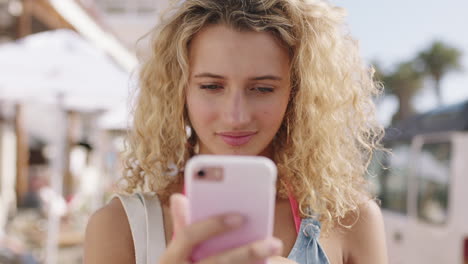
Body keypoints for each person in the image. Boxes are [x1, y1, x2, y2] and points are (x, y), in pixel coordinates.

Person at [84, 0, 388, 263]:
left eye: (262, 88)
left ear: (296, 94)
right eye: (212, 86)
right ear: (179, 91)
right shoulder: (120, 227)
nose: (236, 116)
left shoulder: (352, 222)